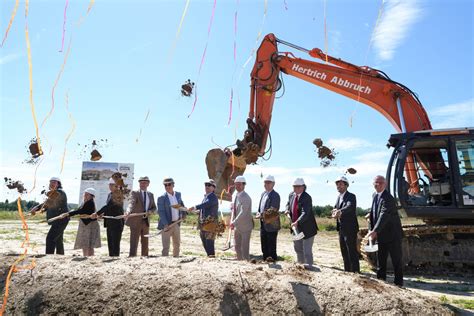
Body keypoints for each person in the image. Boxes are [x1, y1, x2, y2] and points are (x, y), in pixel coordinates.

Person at [366, 175, 404, 287]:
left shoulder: (389, 198)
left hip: (393, 235)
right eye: (376, 182)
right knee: (380, 261)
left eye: (380, 183)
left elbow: (384, 214)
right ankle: (381, 284)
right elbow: (375, 209)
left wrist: (375, 230)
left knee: (396, 261)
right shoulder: (375, 195)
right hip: (381, 235)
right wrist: (370, 213)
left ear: (385, 184)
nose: (377, 184)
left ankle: (399, 284)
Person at [31, 177, 70, 255]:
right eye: (51, 182)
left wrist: (37, 207)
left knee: (50, 239)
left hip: (61, 220)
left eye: (54, 182)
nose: (51, 184)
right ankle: (60, 256)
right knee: (58, 239)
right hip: (58, 220)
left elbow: (49, 202)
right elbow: (49, 205)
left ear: (58, 184)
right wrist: (40, 210)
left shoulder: (60, 192)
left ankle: (49, 257)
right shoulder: (53, 193)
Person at [286, 178, 318, 269]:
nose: (295, 188)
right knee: (298, 248)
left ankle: (309, 269)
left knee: (307, 250)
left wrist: (297, 222)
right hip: (296, 229)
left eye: (297, 186)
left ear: (303, 187)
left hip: (307, 229)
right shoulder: (291, 195)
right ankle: (300, 267)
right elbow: (288, 204)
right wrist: (287, 209)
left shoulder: (307, 197)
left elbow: (305, 213)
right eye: (294, 186)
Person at [331, 176, 359, 273]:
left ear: (346, 185)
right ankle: (347, 271)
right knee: (344, 251)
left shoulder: (351, 196)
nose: (338, 186)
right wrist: (334, 211)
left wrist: (339, 211)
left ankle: (355, 272)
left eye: (341, 184)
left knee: (351, 251)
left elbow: (349, 206)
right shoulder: (339, 197)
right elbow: (335, 208)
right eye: (337, 184)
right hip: (341, 228)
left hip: (350, 228)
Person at [93, 178, 125, 257]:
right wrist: (102, 215)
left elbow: (109, 206)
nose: (110, 186)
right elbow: (109, 208)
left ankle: (115, 259)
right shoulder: (110, 194)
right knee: (110, 242)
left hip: (117, 222)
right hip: (109, 222)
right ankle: (111, 257)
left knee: (115, 242)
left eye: (112, 185)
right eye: (110, 185)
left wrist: (97, 213)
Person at [126, 176, 157, 257]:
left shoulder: (151, 195)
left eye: (144, 182)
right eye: (141, 182)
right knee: (134, 242)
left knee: (145, 242)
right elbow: (131, 203)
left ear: (148, 184)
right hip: (135, 222)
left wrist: (151, 211)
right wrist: (128, 211)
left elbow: (154, 207)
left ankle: (145, 257)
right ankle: (132, 258)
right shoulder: (135, 193)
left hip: (146, 222)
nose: (142, 184)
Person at [65, 187, 101, 256]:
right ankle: (89, 257)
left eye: (87, 194)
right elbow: (80, 211)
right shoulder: (85, 202)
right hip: (87, 224)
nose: (85, 196)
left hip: (89, 225)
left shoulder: (90, 203)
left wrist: (69, 214)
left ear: (91, 196)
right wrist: (70, 213)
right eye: (85, 194)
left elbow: (81, 211)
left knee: (87, 243)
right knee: (88, 244)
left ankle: (87, 257)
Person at [188, 179, 219, 258]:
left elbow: (206, 204)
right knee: (204, 241)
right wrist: (198, 212)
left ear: (214, 188)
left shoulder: (213, 197)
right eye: (206, 185)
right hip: (204, 224)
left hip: (210, 224)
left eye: (209, 185)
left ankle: (211, 257)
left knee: (209, 242)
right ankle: (209, 256)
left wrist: (195, 207)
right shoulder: (206, 197)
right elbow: (205, 208)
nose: (207, 186)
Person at [157, 177, 186, 257]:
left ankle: (175, 260)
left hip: (176, 223)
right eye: (165, 185)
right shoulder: (161, 198)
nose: (167, 186)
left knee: (177, 244)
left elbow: (181, 205)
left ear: (173, 185)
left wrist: (184, 214)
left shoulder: (178, 195)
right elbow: (161, 212)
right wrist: (165, 224)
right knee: (166, 246)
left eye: (169, 184)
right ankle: (165, 263)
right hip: (167, 225)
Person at [255, 175, 281, 262]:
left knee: (271, 244)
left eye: (268, 182)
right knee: (264, 243)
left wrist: (261, 215)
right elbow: (261, 207)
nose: (266, 184)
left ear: (273, 184)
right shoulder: (263, 194)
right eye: (265, 182)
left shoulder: (275, 195)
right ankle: (265, 259)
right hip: (263, 223)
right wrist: (258, 212)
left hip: (272, 224)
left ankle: (273, 261)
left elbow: (272, 211)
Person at [230, 176, 253, 261]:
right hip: (238, 227)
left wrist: (234, 222)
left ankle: (246, 263)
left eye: (239, 184)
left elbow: (243, 212)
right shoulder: (237, 196)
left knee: (244, 248)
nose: (237, 186)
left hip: (245, 227)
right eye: (236, 184)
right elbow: (237, 209)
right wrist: (233, 207)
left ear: (244, 185)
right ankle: (240, 263)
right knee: (237, 247)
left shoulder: (246, 197)